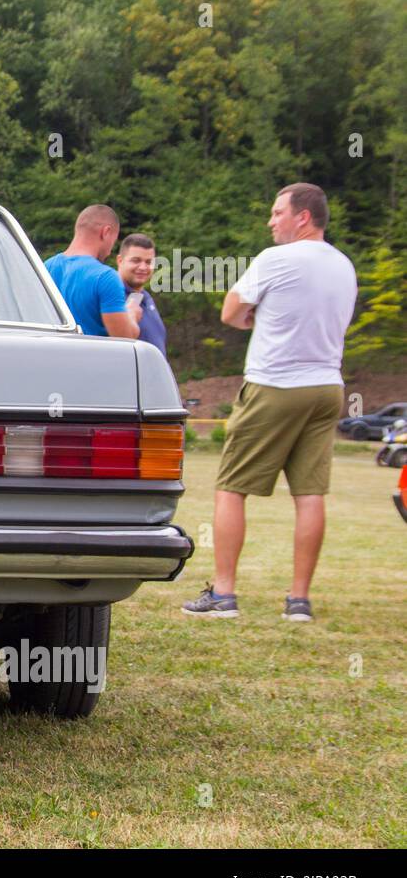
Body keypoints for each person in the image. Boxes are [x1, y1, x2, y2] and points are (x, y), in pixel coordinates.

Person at [182, 183, 356, 623]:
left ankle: (224, 595)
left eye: (278, 213)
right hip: (327, 387)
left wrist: (255, 316)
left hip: (274, 384)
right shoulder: (344, 265)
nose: (271, 221)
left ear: (303, 217)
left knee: (231, 486)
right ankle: (298, 601)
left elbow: (231, 313)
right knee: (310, 493)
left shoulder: (275, 259)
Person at [43, 205, 142, 339]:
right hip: (92, 358)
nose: (110, 251)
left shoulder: (46, 267)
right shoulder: (106, 277)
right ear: (105, 232)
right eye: (114, 240)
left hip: (52, 356)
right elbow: (125, 338)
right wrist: (131, 315)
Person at [115, 233, 167, 357]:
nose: (143, 267)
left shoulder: (146, 297)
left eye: (149, 262)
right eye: (136, 260)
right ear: (120, 261)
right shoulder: (113, 297)